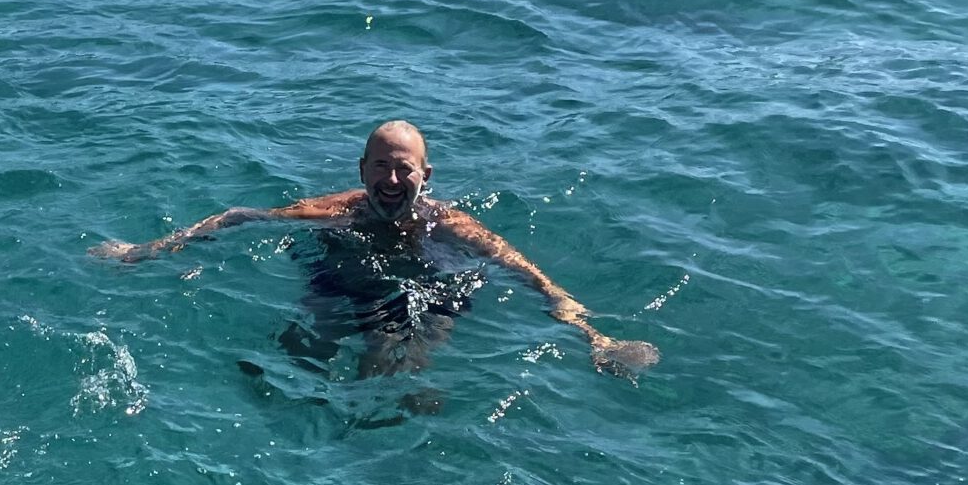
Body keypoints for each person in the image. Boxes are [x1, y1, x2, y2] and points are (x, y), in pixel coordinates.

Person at [89, 120, 658, 377]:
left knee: (399, 366)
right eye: (380, 166)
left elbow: (530, 275)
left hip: (432, 285)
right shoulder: (335, 210)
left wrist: (594, 336)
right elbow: (241, 216)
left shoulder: (452, 224)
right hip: (349, 274)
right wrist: (148, 250)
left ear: (425, 175)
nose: (390, 179)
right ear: (362, 169)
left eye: (402, 168)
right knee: (301, 351)